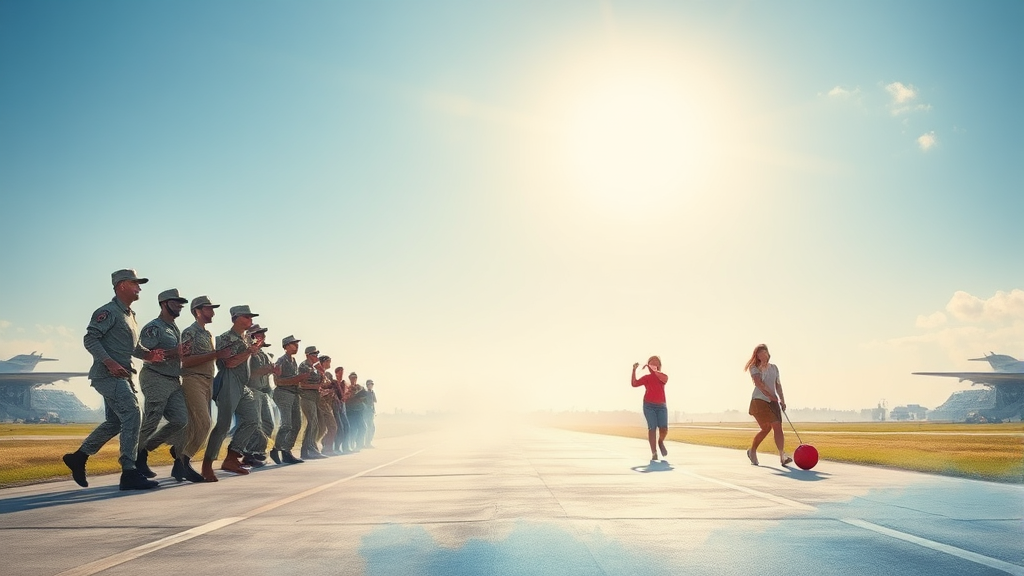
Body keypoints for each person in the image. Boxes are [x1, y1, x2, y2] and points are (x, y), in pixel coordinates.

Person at [62, 269, 165, 491]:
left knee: (116, 422)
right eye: (135, 283)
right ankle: (129, 472)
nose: (139, 288)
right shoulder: (107, 312)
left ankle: (78, 457)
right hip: (107, 375)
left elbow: (134, 348)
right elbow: (90, 339)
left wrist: (149, 355)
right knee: (133, 413)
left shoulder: (129, 315)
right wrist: (109, 362)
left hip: (123, 375)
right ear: (121, 286)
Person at [201, 305, 264, 481]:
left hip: (242, 384)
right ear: (236, 318)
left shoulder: (246, 339)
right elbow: (229, 363)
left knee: (253, 419)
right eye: (247, 316)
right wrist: (249, 351)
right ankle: (207, 465)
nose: (251, 320)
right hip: (228, 380)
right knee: (223, 424)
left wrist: (253, 347)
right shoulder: (225, 338)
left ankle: (232, 457)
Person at [172, 295, 230, 482]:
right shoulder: (190, 332)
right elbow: (186, 361)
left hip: (207, 381)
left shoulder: (207, 334)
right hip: (193, 380)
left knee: (194, 427)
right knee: (205, 423)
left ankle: (179, 465)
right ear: (197, 311)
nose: (212, 312)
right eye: (209, 308)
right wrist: (216, 354)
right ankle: (184, 459)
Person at [135, 289, 190, 479]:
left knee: (182, 420)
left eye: (181, 303)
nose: (180, 306)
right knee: (152, 420)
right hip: (155, 377)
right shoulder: (154, 328)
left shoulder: (174, 328)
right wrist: (175, 352)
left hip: (173, 380)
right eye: (176, 302)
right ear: (164, 304)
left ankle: (146, 447)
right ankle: (138, 459)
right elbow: (145, 354)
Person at [744, 344, 792, 467]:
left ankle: (782, 456)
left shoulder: (774, 368)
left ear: (768, 353)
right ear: (757, 356)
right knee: (767, 428)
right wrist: (770, 396)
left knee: (777, 427)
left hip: (773, 401)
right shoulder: (754, 367)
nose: (762, 355)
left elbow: (778, 385)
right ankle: (753, 450)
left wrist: (782, 400)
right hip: (759, 401)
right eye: (759, 353)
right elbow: (758, 383)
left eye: (764, 352)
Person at [242, 324, 279, 467]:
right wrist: (265, 369)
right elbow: (248, 373)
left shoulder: (263, 353)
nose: (263, 336)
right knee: (255, 424)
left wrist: (272, 370)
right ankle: (249, 454)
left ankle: (258, 451)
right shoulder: (248, 352)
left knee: (268, 423)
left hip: (264, 391)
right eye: (259, 334)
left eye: (263, 334)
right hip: (253, 390)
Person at [268, 335, 305, 465]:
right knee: (287, 424)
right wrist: (296, 379)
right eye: (294, 344)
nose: (297, 346)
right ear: (286, 346)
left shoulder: (293, 361)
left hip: (294, 394)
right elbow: (278, 381)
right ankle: (276, 449)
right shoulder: (281, 361)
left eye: (297, 344)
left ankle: (286, 451)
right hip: (283, 393)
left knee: (297, 424)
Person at [631, 356, 669, 462]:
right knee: (652, 428)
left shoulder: (663, 377)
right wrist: (634, 370)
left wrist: (652, 369)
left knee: (664, 429)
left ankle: (660, 442)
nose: (654, 365)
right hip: (649, 406)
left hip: (661, 406)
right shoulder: (647, 378)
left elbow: (661, 377)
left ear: (659, 366)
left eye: (656, 364)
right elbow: (634, 383)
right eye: (652, 363)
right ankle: (654, 452)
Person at [298, 346, 326, 459]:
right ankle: (310, 449)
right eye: (314, 354)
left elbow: (322, 382)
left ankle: (307, 449)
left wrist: (322, 371)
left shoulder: (314, 368)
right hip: (307, 397)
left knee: (317, 424)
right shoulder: (304, 366)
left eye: (317, 354)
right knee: (313, 422)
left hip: (315, 398)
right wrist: (316, 386)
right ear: (307, 355)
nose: (316, 356)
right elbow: (301, 384)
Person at [316, 355, 339, 456]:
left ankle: (324, 446)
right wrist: (328, 391)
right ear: (324, 362)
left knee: (324, 428)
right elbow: (318, 389)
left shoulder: (326, 374)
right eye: (328, 361)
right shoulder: (318, 373)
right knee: (331, 426)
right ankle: (326, 448)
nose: (330, 363)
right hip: (321, 403)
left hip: (327, 404)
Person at [344, 372, 367, 450]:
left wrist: (357, 396)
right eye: (352, 377)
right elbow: (347, 396)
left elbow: (365, 396)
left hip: (359, 410)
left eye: (355, 377)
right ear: (349, 378)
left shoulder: (359, 387)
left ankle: (358, 444)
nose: (354, 379)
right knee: (352, 428)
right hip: (350, 410)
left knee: (362, 428)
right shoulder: (347, 387)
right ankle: (350, 444)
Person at [333, 366, 350, 453]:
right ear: (336, 373)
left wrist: (347, 395)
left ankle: (345, 447)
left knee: (347, 426)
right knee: (340, 428)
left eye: (342, 372)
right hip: (336, 406)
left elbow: (347, 393)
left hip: (343, 406)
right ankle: (336, 447)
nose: (341, 374)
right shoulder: (334, 383)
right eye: (340, 372)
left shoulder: (344, 383)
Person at [364, 379, 377, 448]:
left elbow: (374, 401)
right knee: (369, 428)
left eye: (372, 384)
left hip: (371, 412)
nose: (371, 385)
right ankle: (367, 443)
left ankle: (368, 442)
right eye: (370, 384)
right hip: (367, 412)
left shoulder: (372, 392)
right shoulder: (366, 393)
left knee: (371, 428)